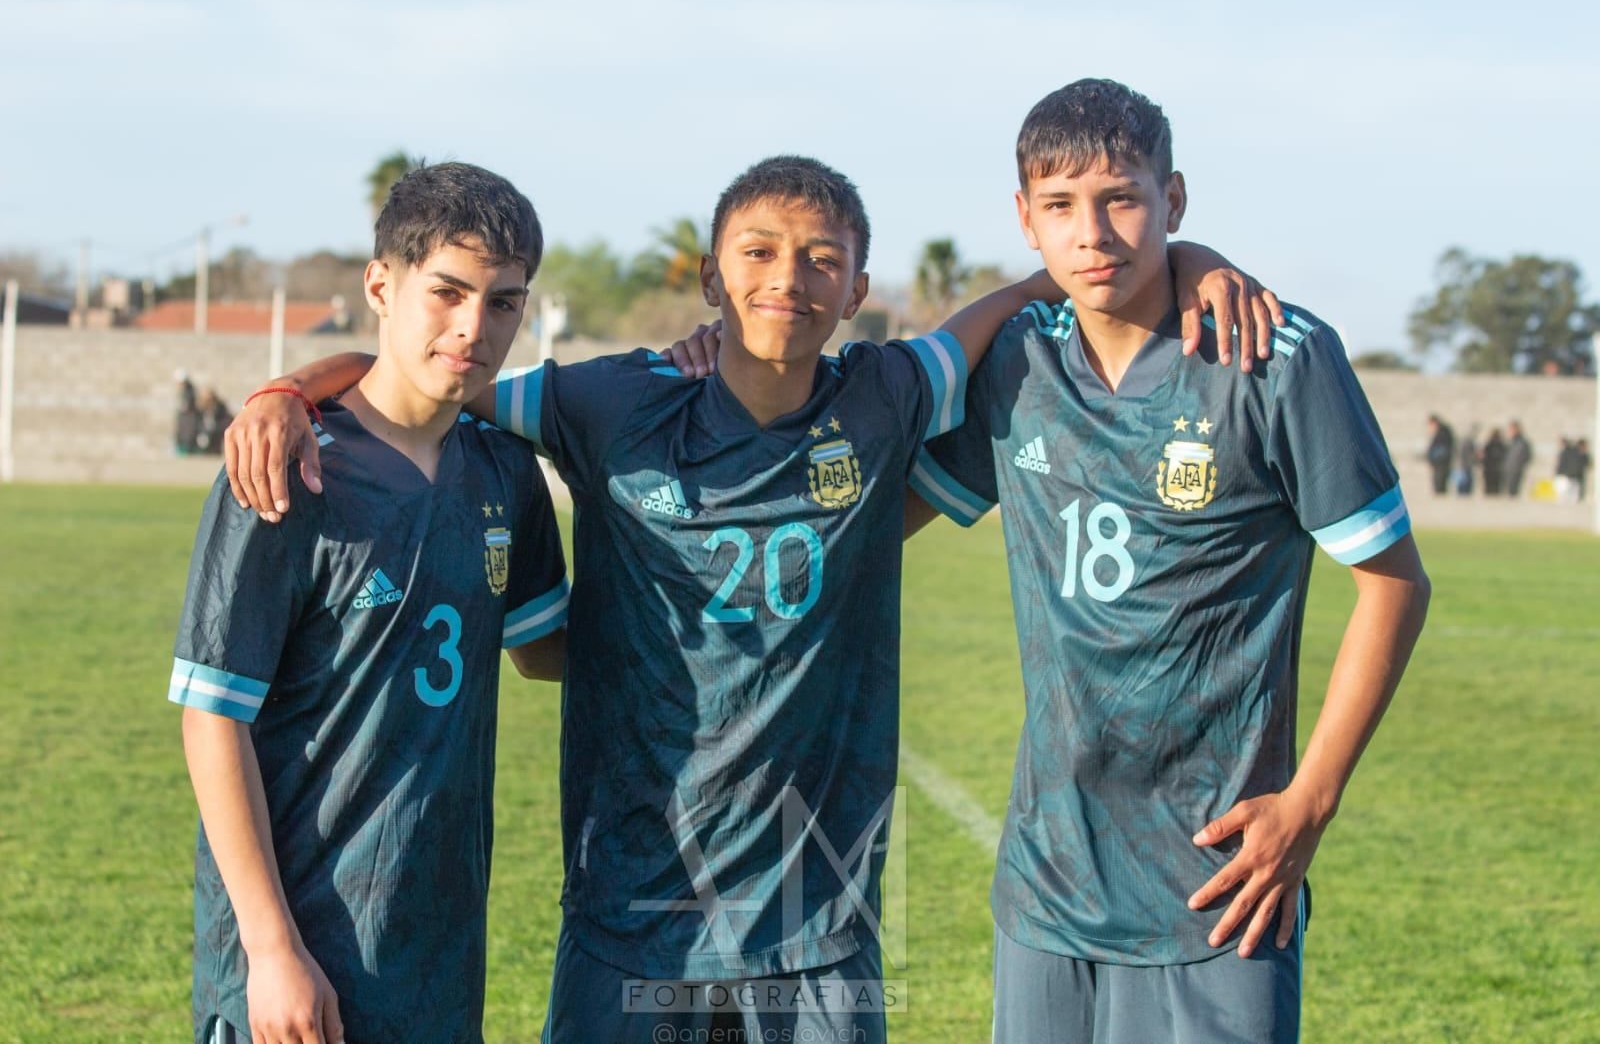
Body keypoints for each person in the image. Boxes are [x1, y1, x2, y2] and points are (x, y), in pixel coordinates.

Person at [223, 155, 1279, 1041]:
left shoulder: (887, 396)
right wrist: (284, 389)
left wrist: (1192, 258)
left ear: (857, 286)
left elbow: (1022, 295)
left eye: (823, 258)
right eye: (761, 253)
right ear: (710, 278)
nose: (791, 278)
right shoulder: (610, 402)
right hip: (628, 911)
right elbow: (424, 377)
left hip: (816, 929)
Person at [906, 79, 1431, 1043]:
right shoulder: (1018, 366)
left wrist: (1310, 802)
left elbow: (1394, 585)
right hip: (1048, 882)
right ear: (1024, 219)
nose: (1093, 232)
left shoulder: (1274, 356)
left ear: (1173, 200)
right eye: (1059, 206)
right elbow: (872, 515)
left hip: (1220, 883)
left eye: (1122, 198)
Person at [170, 162, 570, 1044]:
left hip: (435, 943)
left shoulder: (505, 470)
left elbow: (547, 649)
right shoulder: (287, 466)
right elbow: (212, 719)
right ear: (381, 285)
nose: (473, 327)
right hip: (296, 943)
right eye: (448, 292)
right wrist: (271, 951)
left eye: (503, 303)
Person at [1425, 413, 1455, 495]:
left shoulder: (1443, 433)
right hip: (1440, 463)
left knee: (1440, 484)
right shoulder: (1442, 432)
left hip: (1441, 464)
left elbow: (1442, 450)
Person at [1504, 420, 1531, 497]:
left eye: (1512, 429)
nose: (1511, 431)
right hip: (1508, 469)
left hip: (1517, 469)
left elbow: (1528, 456)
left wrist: (1520, 464)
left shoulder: (1523, 442)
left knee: (1514, 490)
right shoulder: (1511, 442)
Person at [1481, 427, 1507, 495]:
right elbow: (1483, 458)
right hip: (1490, 472)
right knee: (1489, 491)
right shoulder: (1489, 446)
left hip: (1496, 472)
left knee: (1495, 491)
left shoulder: (1501, 446)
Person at [1456, 424, 1479, 496]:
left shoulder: (1465, 442)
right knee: (1465, 488)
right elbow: (1468, 456)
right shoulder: (1468, 442)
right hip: (1465, 468)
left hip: (1464, 468)